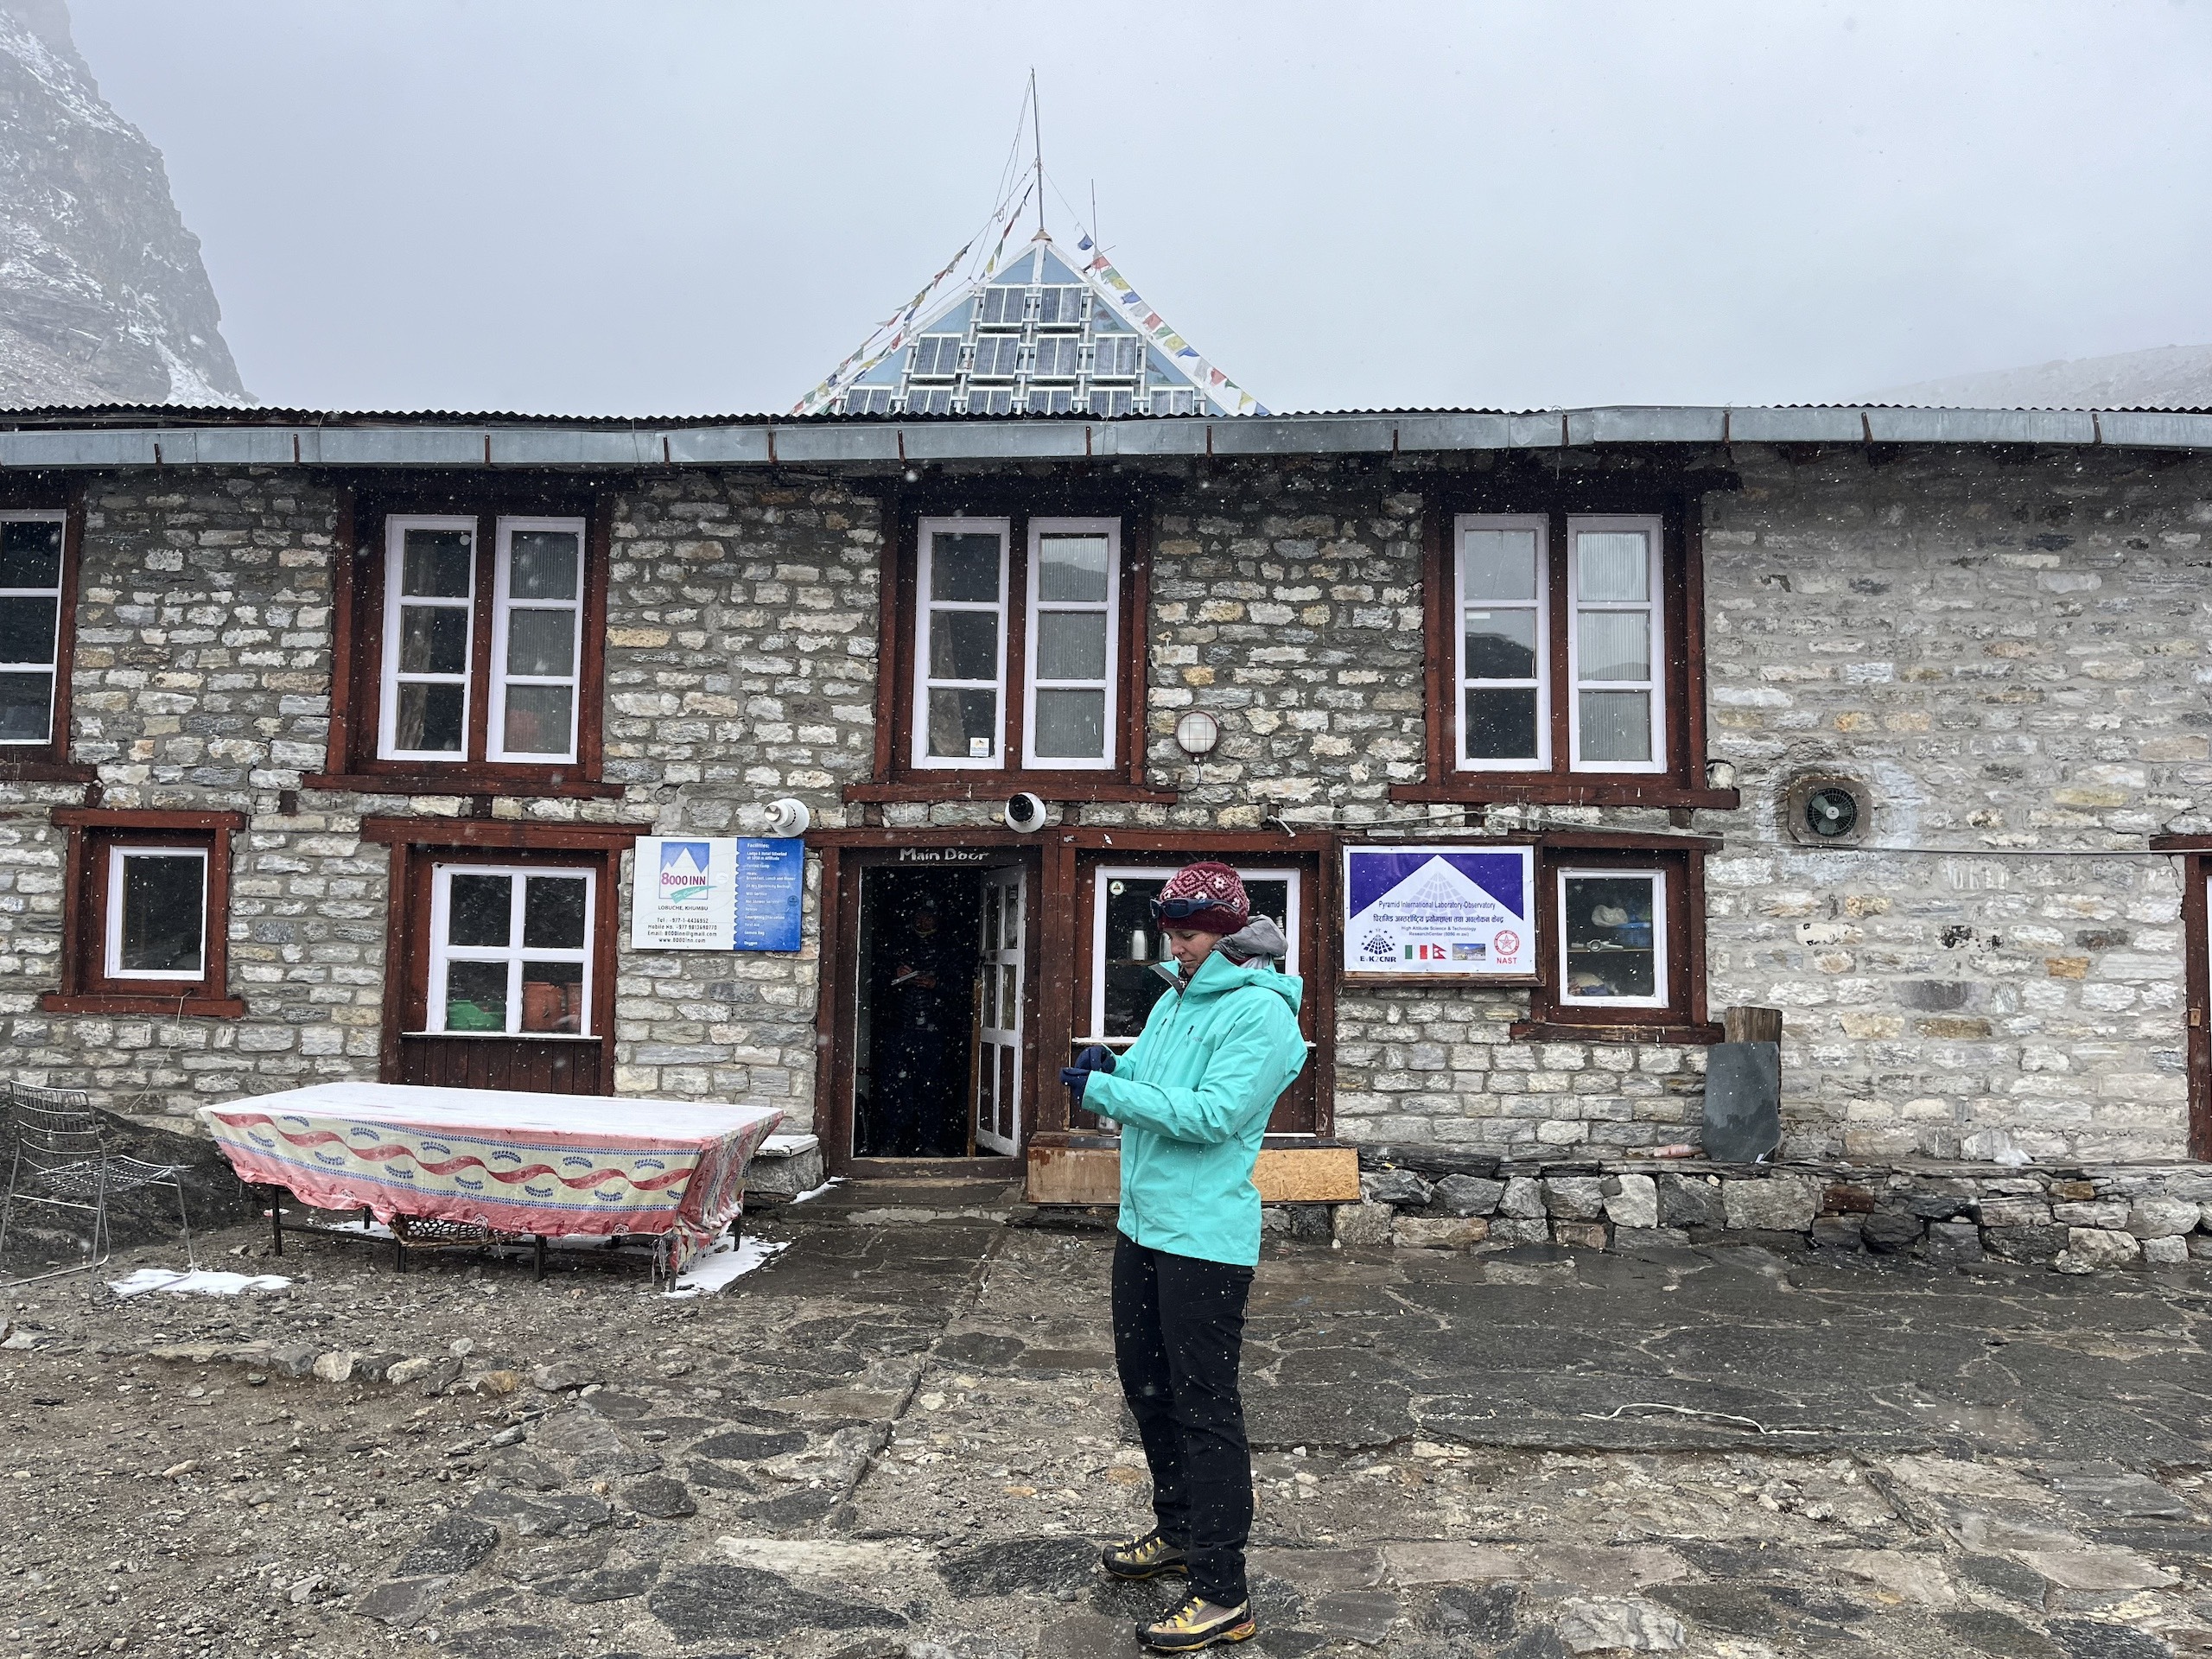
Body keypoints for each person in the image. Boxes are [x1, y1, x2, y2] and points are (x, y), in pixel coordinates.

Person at [1061, 861, 1306, 1653]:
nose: (1180, 944)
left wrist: (1109, 1096)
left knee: (1205, 1407)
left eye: (1193, 932)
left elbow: (1211, 1116)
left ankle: (1222, 1591)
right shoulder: (1177, 995)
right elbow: (1160, 1079)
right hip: (1144, 1226)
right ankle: (1176, 1533)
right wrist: (1117, 1069)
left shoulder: (1261, 1015)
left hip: (1203, 1240)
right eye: (1171, 930)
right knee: (1148, 1389)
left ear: (1232, 933)